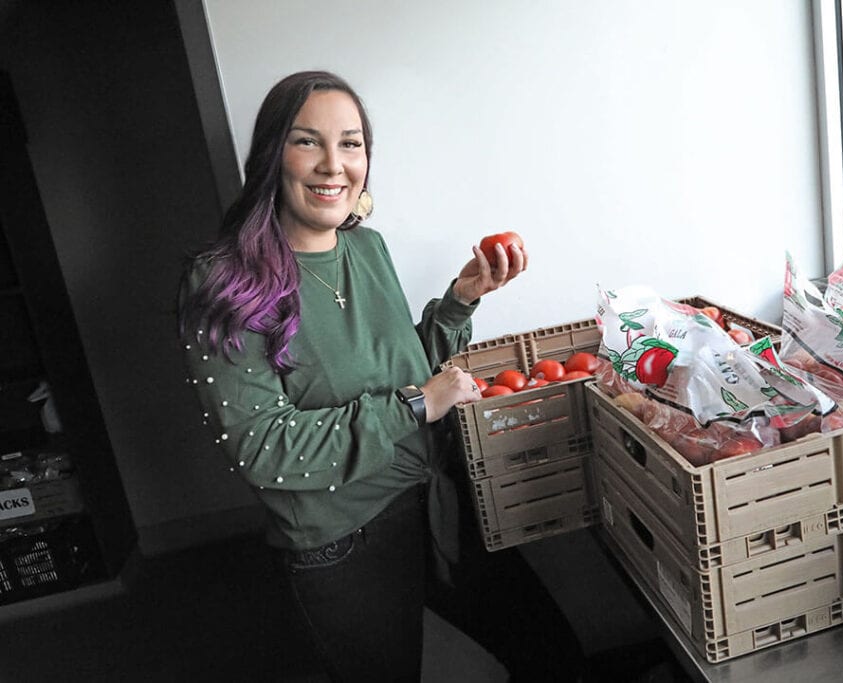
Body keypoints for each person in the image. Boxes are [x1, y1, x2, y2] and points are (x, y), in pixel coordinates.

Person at [177, 70, 585, 682]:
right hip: (343, 543)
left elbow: (408, 372)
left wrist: (459, 302)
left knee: (550, 651)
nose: (332, 165)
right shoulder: (223, 283)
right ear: (271, 155)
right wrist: (416, 405)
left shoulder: (367, 249)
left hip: (436, 501)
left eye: (351, 143)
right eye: (307, 141)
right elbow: (265, 451)